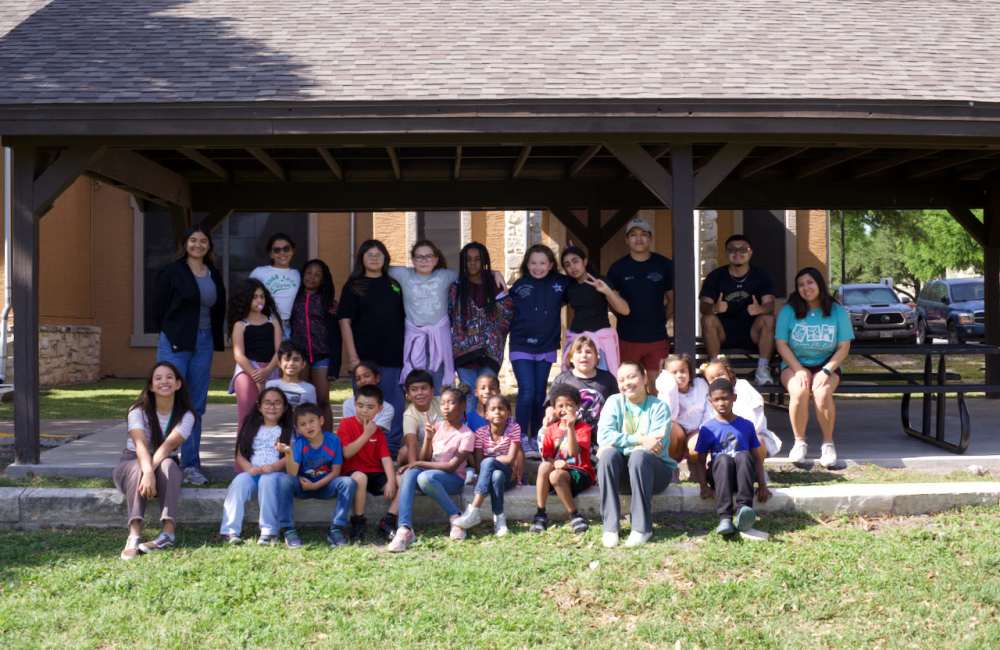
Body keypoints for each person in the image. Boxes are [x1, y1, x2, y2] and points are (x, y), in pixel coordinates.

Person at [153, 224, 226, 486]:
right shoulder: (173, 271)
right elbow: (157, 307)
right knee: (168, 398)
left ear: (209, 246)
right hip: (176, 341)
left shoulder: (213, 273)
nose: (198, 245)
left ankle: (191, 463)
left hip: (203, 342)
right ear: (185, 243)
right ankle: (163, 461)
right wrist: (171, 332)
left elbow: (218, 308)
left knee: (195, 404)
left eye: (203, 241)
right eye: (193, 240)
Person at [596, 361, 685, 548]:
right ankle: (610, 527)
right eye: (621, 379)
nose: (626, 383)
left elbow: (655, 447)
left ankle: (642, 528)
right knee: (607, 456)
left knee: (638, 456)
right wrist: (640, 440)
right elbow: (604, 436)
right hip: (623, 476)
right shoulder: (614, 402)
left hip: (655, 474)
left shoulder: (659, 407)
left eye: (632, 377)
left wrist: (617, 443)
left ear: (644, 377)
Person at [113, 362, 194, 560]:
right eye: (158, 378)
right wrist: (147, 472)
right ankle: (134, 535)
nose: (164, 381)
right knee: (138, 469)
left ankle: (168, 533)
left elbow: (167, 448)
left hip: (163, 459)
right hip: (132, 460)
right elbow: (140, 445)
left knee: (169, 466)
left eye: (169, 377)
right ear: (151, 386)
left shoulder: (187, 415)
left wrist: (151, 471)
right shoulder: (137, 410)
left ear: (178, 384)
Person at [776, 267, 854, 468]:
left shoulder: (837, 311)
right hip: (795, 363)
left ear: (819, 284)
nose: (806, 288)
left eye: (810, 282)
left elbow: (844, 347)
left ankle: (828, 444)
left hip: (827, 363)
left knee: (822, 393)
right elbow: (781, 344)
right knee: (799, 391)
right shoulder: (789, 310)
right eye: (801, 284)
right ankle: (799, 442)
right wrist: (799, 369)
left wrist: (826, 370)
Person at [387, 386, 475, 552]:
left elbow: (451, 467)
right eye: (442, 403)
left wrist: (419, 464)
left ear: (462, 406)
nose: (446, 407)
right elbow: (426, 458)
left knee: (423, 476)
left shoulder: (467, 435)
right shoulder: (438, 426)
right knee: (411, 473)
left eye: (451, 403)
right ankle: (404, 529)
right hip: (431, 475)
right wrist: (428, 438)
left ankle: (456, 516)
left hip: (453, 480)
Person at [338, 239, 406, 451]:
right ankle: (364, 449)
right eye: (370, 254)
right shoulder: (353, 286)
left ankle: (391, 450)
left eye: (379, 254)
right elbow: (344, 321)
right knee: (366, 405)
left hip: (393, 355)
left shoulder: (394, 284)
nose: (375, 258)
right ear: (362, 259)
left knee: (393, 405)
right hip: (364, 358)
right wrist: (353, 358)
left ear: (385, 258)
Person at [509, 244, 571, 458]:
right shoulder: (519, 285)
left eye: (543, 263)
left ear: (551, 264)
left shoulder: (560, 284)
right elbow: (503, 306)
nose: (538, 267)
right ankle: (519, 439)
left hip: (546, 346)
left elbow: (579, 277)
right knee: (526, 391)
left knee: (539, 394)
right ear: (527, 264)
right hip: (521, 345)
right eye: (533, 263)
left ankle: (535, 436)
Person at [218, 387, 299, 547]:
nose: (272, 407)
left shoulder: (288, 430)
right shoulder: (251, 427)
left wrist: (274, 466)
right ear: (259, 406)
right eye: (267, 403)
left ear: (284, 407)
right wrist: (248, 468)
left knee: (267, 481)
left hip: (276, 474)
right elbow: (240, 454)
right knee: (239, 482)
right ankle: (230, 530)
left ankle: (269, 531)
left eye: (277, 403)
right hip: (253, 471)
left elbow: (291, 454)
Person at [691, 378, 771, 537]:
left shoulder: (746, 425)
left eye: (725, 398)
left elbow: (756, 459)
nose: (721, 403)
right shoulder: (707, 428)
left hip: (743, 478)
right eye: (716, 399)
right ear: (710, 401)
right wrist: (703, 486)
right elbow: (700, 461)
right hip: (719, 478)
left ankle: (744, 511)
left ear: (734, 398)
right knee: (723, 459)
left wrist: (762, 485)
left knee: (743, 455)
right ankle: (725, 518)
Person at [606, 217, 674, 392]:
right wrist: (622, 314)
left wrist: (662, 318)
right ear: (627, 240)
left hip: (657, 337)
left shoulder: (664, 265)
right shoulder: (618, 268)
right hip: (627, 337)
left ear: (650, 238)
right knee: (629, 386)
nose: (639, 239)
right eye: (633, 235)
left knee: (656, 386)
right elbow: (612, 301)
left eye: (644, 234)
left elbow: (673, 299)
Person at [275, 403, 357, 547]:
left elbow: (336, 471)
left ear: (321, 421)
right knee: (283, 480)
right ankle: (288, 529)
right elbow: (292, 473)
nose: (308, 426)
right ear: (298, 429)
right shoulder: (299, 443)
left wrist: (315, 485)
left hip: (325, 485)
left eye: (312, 421)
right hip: (303, 486)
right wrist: (288, 452)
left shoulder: (333, 440)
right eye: (303, 424)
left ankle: (336, 528)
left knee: (348, 482)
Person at [699, 234, 777, 385]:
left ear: (750, 252)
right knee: (708, 318)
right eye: (732, 250)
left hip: (752, 332)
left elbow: (770, 305)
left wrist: (760, 309)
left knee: (768, 318)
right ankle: (715, 368)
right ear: (726, 253)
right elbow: (703, 306)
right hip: (723, 334)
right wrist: (714, 307)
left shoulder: (762, 275)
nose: (737, 253)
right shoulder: (715, 276)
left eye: (743, 249)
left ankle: (762, 369)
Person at [449, 242, 514, 414]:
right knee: (469, 394)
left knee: (489, 395)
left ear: (484, 260)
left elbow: (507, 314)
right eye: (468, 259)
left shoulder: (495, 285)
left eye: (477, 259)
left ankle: (489, 437)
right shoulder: (455, 288)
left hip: (490, 351)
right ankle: (470, 435)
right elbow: (449, 315)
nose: (473, 263)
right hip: (464, 353)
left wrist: (492, 333)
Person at [389, 240, 459, 391]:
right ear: (413, 260)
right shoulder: (404, 274)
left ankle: (440, 412)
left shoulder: (445, 275)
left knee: (439, 380)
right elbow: (379, 267)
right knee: (418, 378)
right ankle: (420, 413)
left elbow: (471, 274)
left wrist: (494, 272)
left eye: (428, 256)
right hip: (415, 335)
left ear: (436, 259)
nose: (424, 260)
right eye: (419, 257)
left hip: (439, 336)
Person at [452, 395, 522, 536]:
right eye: (493, 409)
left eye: (501, 409)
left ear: (508, 413)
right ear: (486, 414)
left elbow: (509, 459)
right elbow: (478, 465)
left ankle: (474, 510)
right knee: (496, 475)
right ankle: (500, 521)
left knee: (489, 462)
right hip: (492, 478)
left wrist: (491, 460)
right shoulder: (480, 433)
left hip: (510, 477)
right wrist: (491, 462)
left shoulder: (514, 428)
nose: (497, 412)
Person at [336, 384, 397, 544]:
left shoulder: (378, 430)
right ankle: (358, 521)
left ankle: (389, 520)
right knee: (360, 477)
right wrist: (366, 434)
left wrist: (391, 481)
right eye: (360, 405)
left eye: (370, 407)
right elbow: (347, 453)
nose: (364, 410)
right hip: (353, 472)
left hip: (374, 473)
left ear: (379, 408)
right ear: (354, 404)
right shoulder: (346, 424)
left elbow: (386, 458)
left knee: (402, 481)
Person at [531, 384, 595, 535]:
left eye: (569, 405)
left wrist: (570, 428)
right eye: (560, 406)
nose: (564, 409)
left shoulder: (583, 428)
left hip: (580, 474)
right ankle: (540, 513)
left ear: (577, 407)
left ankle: (574, 515)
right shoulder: (551, 430)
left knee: (556, 475)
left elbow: (574, 452)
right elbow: (547, 456)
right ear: (553, 409)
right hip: (558, 474)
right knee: (544, 467)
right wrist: (555, 462)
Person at [560, 246, 629, 374]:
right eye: (567, 264)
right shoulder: (568, 287)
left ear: (584, 262)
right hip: (577, 342)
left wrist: (607, 291)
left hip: (600, 343)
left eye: (575, 261)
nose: (572, 267)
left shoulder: (600, 281)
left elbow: (625, 310)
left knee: (603, 383)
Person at [290, 258, 340, 425]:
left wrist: (336, 364)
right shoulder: (294, 298)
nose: (312, 277)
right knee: (302, 402)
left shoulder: (329, 303)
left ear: (323, 279)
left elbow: (336, 336)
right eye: (309, 273)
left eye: (317, 275)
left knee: (323, 400)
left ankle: (328, 442)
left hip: (322, 356)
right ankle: (301, 441)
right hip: (300, 357)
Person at [228, 279, 283, 429]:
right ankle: (242, 452)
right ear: (245, 299)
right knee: (247, 416)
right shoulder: (240, 325)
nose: (259, 300)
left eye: (262, 296)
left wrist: (267, 370)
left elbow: (280, 349)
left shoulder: (273, 321)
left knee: (271, 416)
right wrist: (255, 374)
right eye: (254, 297)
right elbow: (238, 354)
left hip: (271, 369)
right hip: (247, 370)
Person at [543, 335, 618, 443]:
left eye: (588, 352)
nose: (584, 356)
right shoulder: (563, 379)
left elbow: (617, 405)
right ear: (571, 358)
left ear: (597, 357)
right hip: (569, 435)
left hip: (599, 436)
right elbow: (550, 405)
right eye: (579, 352)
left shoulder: (607, 379)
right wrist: (549, 414)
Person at [654, 354, 710, 495]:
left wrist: (703, 430)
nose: (680, 375)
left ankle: (696, 468)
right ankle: (671, 467)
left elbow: (708, 410)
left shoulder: (701, 386)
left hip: (696, 430)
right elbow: (669, 416)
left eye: (683, 371)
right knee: (669, 427)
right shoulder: (666, 391)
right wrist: (670, 386)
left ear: (690, 372)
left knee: (697, 444)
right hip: (677, 432)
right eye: (674, 372)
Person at [249, 232, 300, 337]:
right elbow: (247, 297)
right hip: (265, 323)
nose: (282, 253)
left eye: (286, 249)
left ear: (293, 251)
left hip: (290, 326)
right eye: (277, 250)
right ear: (271, 254)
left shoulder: (297, 274)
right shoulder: (259, 272)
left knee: (286, 354)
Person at [398, 369, 441, 466]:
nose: (419, 393)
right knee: (404, 452)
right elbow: (411, 443)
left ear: (432, 390)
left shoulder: (442, 402)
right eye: (414, 389)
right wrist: (413, 464)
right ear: (408, 395)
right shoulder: (409, 414)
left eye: (424, 388)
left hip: (444, 447)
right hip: (423, 451)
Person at [342, 361, 396, 433]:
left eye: (366, 376)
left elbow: (374, 433)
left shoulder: (387, 408)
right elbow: (350, 430)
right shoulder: (348, 404)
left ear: (377, 378)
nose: (363, 381)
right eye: (358, 379)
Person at [265, 341, 318, 408]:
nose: (291, 363)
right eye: (287, 359)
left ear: (303, 364)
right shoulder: (270, 385)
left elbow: (312, 413)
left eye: (296, 360)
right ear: (279, 363)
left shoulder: (310, 389)